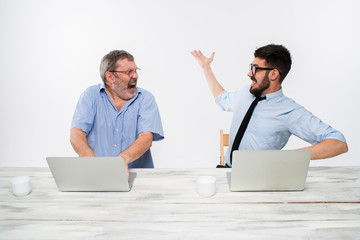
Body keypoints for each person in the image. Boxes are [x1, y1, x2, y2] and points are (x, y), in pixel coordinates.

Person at [191, 44, 348, 167]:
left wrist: (289, 158)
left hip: (261, 181)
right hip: (227, 170)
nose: (249, 74)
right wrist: (206, 68)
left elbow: (338, 142)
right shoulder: (246, 93)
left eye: (255, 69)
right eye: (250, 67)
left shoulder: (290, 112)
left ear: (273, 74)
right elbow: (223, 99)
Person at [70, 50, 164, 175]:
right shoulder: (91, 96)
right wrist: (89, 160)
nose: (135, 76)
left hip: (139, 176)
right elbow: (77, 133)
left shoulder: (146, 98)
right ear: (110, 77)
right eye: (129, 72)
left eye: (136, 71)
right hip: (96, 173)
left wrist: (121, 161)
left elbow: (146, 138)